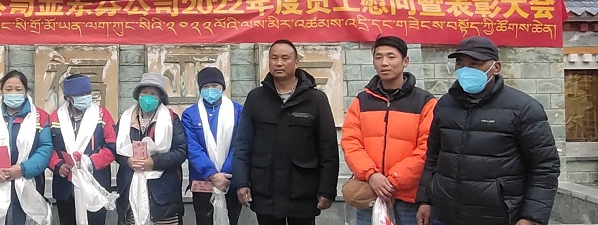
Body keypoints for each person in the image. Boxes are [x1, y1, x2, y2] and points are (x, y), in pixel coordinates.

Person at [416, 36, 560, 225]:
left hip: (499, 216)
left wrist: (531, 217)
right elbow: (433, 157)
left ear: (496, 67)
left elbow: (545, 167)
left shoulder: (524, 109)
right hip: (446, 214)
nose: (466, 70)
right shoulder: (445, 105)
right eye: (460, 64)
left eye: (475, 64)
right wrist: (425, 200)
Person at [232, 39, 338, 225]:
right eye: (274, 58)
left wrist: (327, 190)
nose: (279, 63)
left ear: (296, 62)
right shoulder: (256, 98)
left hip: (303, 191)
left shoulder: (316, 100)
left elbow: (328, 148)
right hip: (265, 190)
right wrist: (241, 182)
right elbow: (243, 144)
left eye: (285, 58)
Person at [341, 36, 435, 225]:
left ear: (405, 61)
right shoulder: (362, 101)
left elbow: (427, 148)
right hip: (369, 194)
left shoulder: (425, 102)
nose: (384, 63)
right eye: (378, 57)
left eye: (391, 56)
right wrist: (371, 175)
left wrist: (393, 180)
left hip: (409, 200)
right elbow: (350, 142)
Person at [0, 70, 54, 225]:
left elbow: (45, 148)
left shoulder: (40, 117)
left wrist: (23, 169)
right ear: (2, 91)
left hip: (28, 180)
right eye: (8, 89)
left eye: (18, 89)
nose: (13, 93)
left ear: (25, 92)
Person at [115, 72, 188, 225]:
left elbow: (181, 151)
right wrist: (127, 160)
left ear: (160, 97)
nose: (148, 97)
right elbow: (114, 149)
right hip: (130, 188)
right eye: (144, 93)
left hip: (163, 193)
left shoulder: (171, 119)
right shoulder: (125, 119)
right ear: (138, 95)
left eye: (153, 94)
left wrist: (154, 162)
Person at [49, 73, 118, 225]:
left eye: (87, 93)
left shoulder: (102, 115)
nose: (85, 97)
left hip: (95, 183)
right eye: (80, 95)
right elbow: (48, 147)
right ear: (68, 97)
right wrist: (58, 165)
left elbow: (112, 146)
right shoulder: (56, 117)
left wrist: (90, 162)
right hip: (65, 185)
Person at [181, 67, 243, 225]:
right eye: (206, 87)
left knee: (231, 220)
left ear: (222, 87)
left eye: (215, 86)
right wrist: (212, 174)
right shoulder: (190, 114)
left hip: (230, 180)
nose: (210, 90)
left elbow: (240, 144)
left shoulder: (237, 111)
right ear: (200, 89)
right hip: (202, 181)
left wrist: (225, 173)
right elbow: (192, 147)